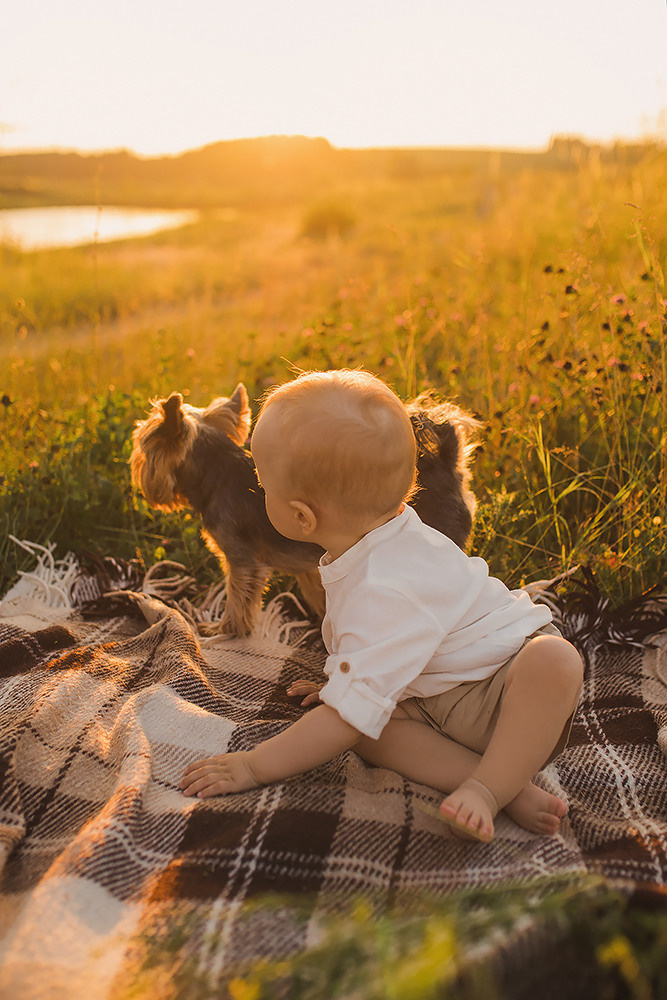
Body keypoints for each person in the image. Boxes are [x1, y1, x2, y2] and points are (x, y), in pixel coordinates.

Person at [180, 370, 583, 843]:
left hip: (504, 696)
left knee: (554, 660)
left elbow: (382, 620)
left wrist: (254, 765)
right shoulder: (369, 538)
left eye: (263, 485)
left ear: (302, 517)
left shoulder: (385, 584)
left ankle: (488, 789)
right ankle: (508, 785)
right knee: (366, 729)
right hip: (434, 697)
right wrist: (346, 683)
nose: (258, 492)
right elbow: (380, 641)